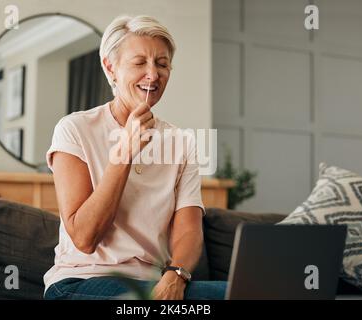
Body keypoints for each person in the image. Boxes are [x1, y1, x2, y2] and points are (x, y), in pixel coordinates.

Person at [43, 15, 226, 300]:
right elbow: (84, 237)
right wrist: (124, 154)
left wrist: (176, 274)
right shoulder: (75, 129)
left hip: (155, 286)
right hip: (81, 282)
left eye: (162, 64)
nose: (153, 75)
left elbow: (189, 231)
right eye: (139, 63)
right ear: (110, 67)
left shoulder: (182, 143)